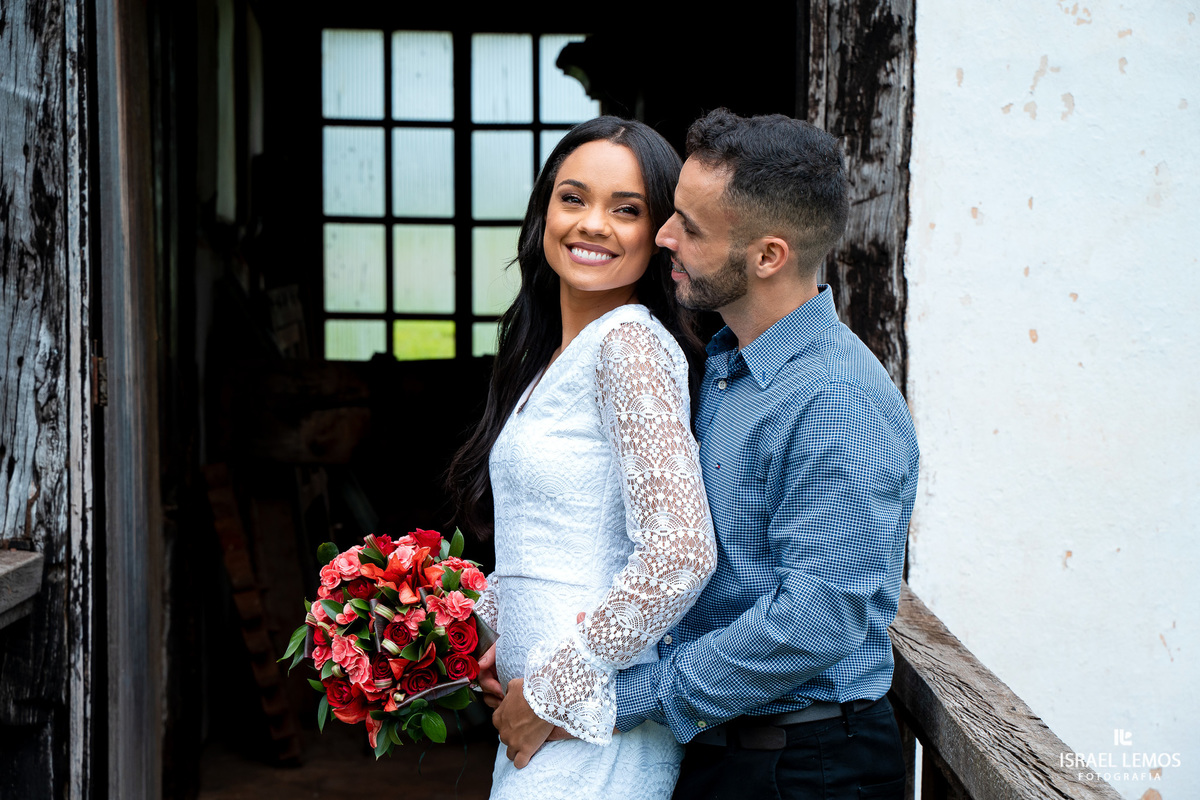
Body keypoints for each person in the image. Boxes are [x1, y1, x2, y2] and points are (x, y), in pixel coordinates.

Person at [495, 109, 919, 799]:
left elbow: (816, 620)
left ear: (768, 256)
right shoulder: (727, 362)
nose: (663, 235)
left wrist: (612, 697)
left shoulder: (838, 401)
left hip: (803, 768)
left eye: (688, 226)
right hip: (724, 751)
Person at [447, 116, 717, 800]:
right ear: (546, 210)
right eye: (574, 198)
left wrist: (552, 688)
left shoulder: (629, 344)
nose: (592, 223)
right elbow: (556, 545)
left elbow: (680, 552)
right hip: (538, 726)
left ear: (657, 234)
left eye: (625, 209)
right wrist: (475, 622)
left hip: (594, 735)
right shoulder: (550, 360)